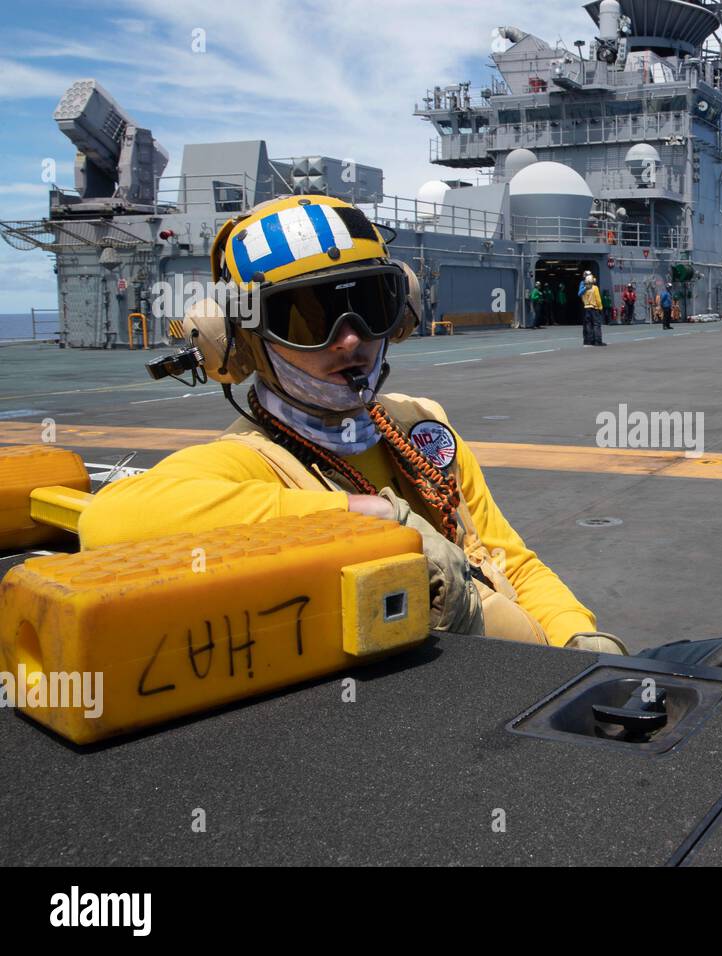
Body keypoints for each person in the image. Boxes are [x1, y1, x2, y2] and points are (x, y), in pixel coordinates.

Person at [78, 195, 622, 655]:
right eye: (306, 317)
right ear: (241, 338)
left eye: (368, 303)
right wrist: (370, 516)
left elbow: (507, 559)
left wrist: (578, 640)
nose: (350, 339)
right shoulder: (249, 462)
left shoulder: (420, 425)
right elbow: (109, 521)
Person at [578, 270, 606, 346]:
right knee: (596, 325)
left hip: (586, 307)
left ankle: (589, 341)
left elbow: (580, 295)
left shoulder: (584, 287)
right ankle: (597, 341)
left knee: (588, 325)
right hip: (594, 308)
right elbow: (598, 299)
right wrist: (600, 308)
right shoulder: (594, 287)